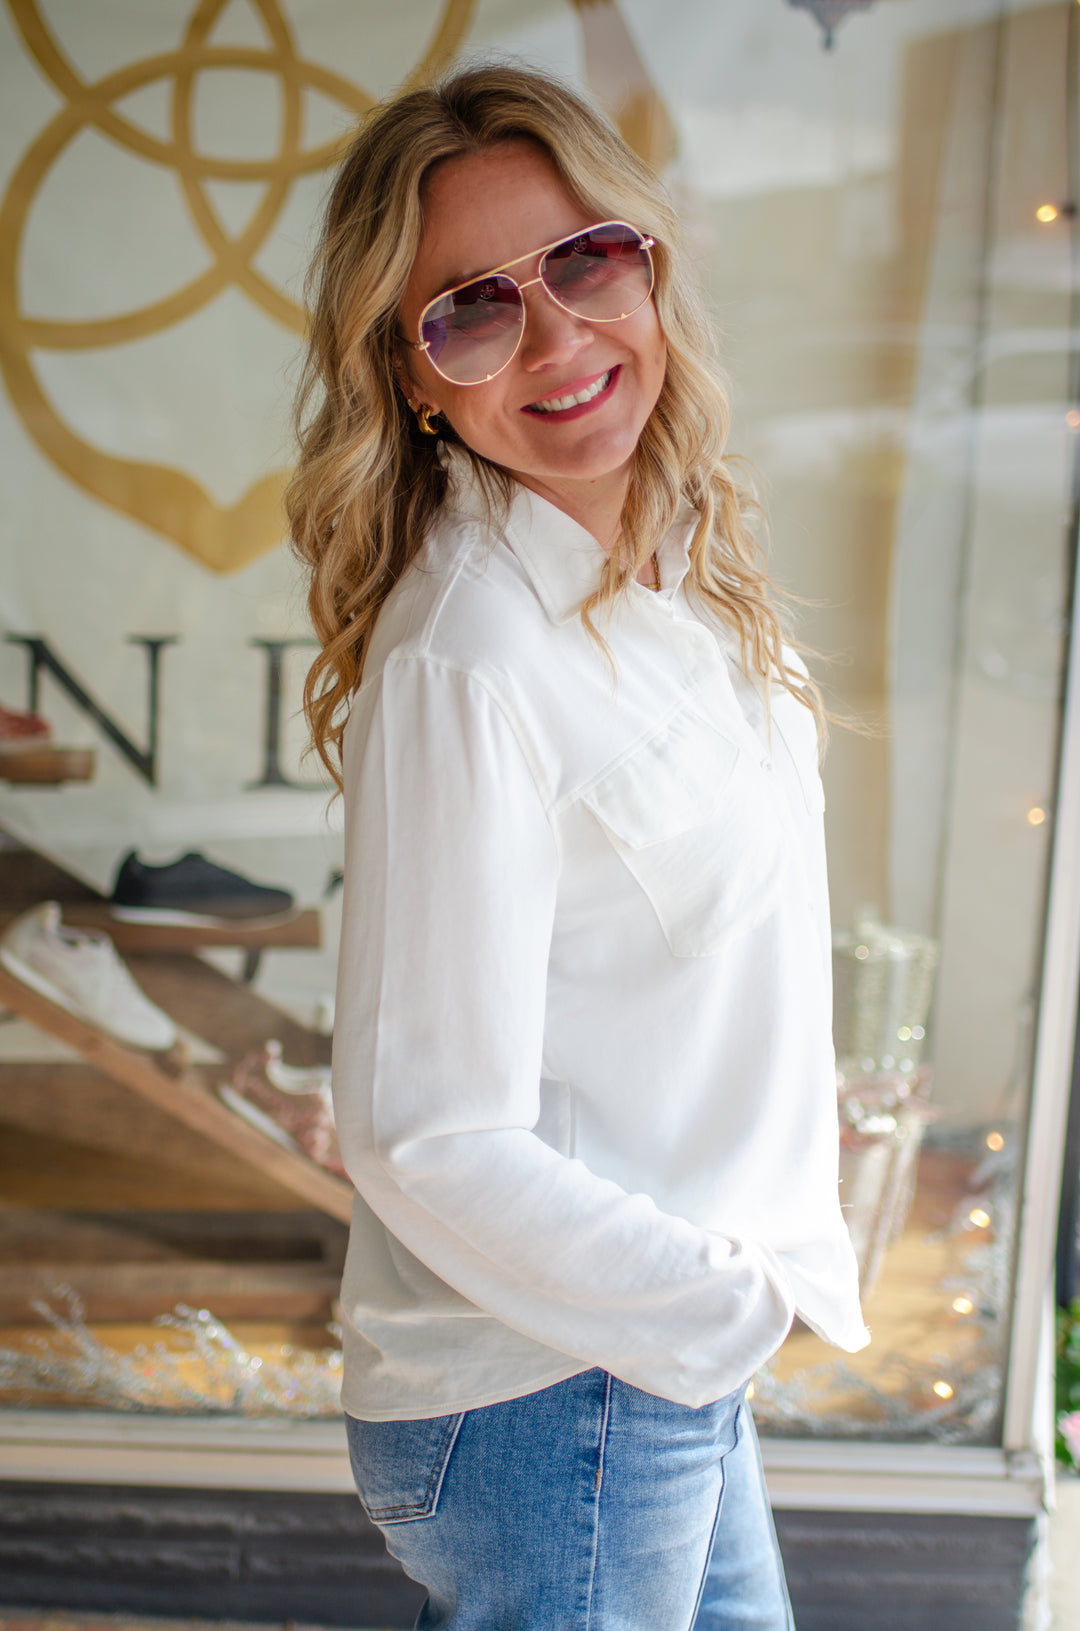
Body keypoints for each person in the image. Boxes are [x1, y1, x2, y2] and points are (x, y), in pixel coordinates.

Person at [287, 62, 869, 1631]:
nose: (554, 338)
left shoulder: (672, 562)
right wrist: (725, 1300)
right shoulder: (469, 649)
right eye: (468, 309)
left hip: (651, 1356)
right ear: (411, 377)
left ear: (648, 262)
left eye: (583, 261)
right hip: (562, 1393)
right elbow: (425, 1130)